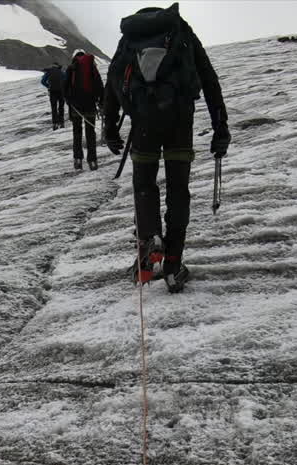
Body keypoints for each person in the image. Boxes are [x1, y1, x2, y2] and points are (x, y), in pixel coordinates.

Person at [103, 3, 230, 292]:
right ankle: (172, 266)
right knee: (177, 190)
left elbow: (113, 80)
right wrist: (220, 127)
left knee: (144, 185)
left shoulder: (130, 38)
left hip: (143, 123)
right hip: (180, 122)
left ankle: (151, 239)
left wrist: (109, 128)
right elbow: (209, 79)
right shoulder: (181, 31)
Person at [65, 50, 104, 170]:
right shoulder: (92, 67)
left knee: (77, 132)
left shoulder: (71, 68)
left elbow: (64, 87)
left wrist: (69, 101)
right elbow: (99, 85)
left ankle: (78, 159)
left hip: (75, 107)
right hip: (90, 105)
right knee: (90, 133)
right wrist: (100, 102)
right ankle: (92, 161)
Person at [41, 63, 66, 130]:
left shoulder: (49, 72)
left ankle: (55, 124)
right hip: (61, 92)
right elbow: (66, 79)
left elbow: (42, 81)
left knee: (54, 108)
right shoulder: (61, 72)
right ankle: (62, 123)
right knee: (61, 107)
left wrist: (48, 86)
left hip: (52, 92)